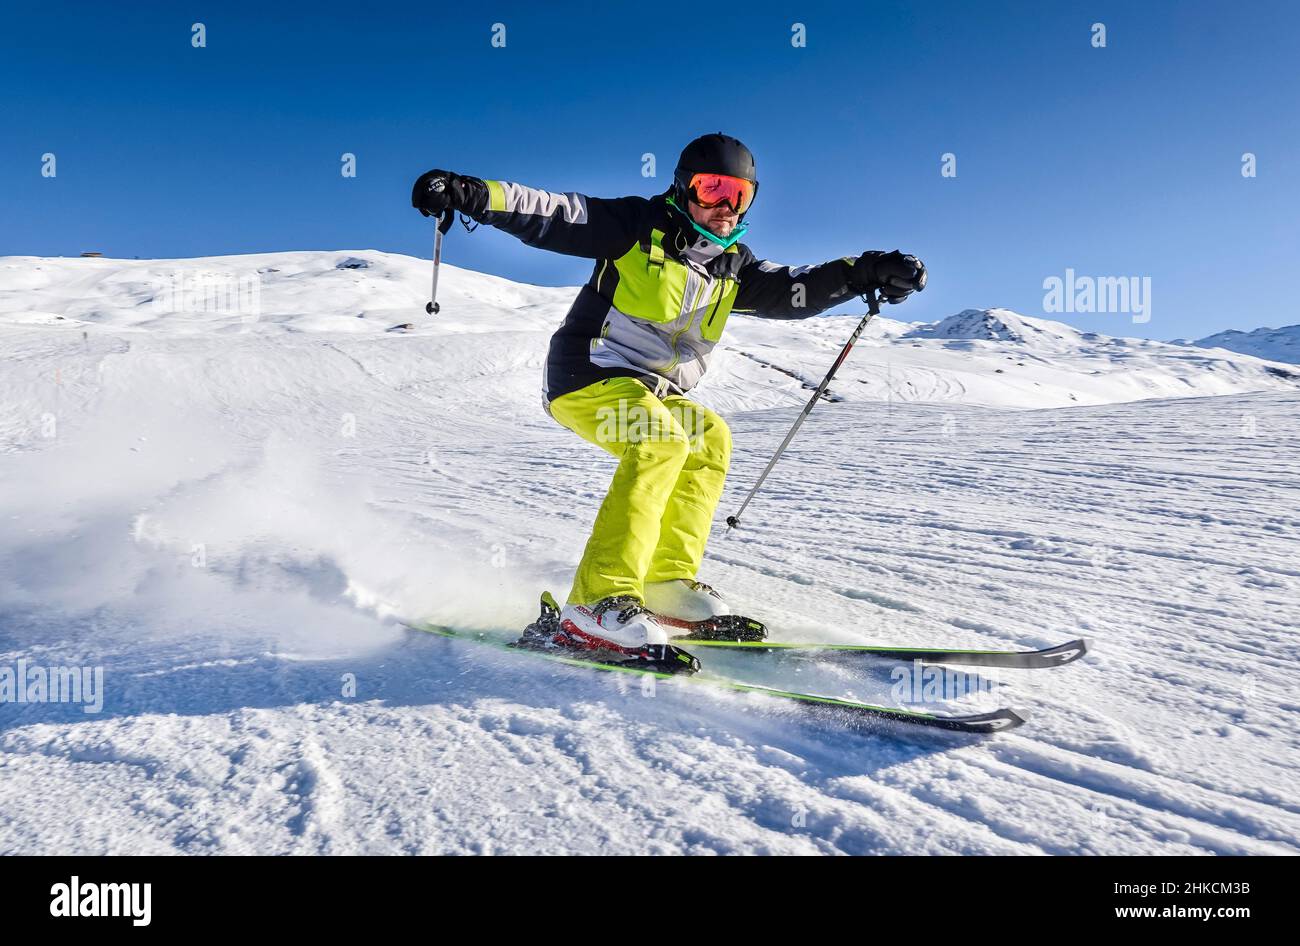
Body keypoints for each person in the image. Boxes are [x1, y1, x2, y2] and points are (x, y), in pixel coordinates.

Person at [412, 133, 925, 661]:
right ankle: (594, 604)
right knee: (658, 443)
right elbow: (553, 213)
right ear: (683, 189)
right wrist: (470, 193)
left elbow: (798, 288)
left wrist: (866, 271)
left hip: (658, 389)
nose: (725, 207)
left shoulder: (734, 267)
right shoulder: (636, 227)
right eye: (711, 189)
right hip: (589, 374)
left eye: (739, 195)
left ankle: (664, 584)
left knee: (708, 440)